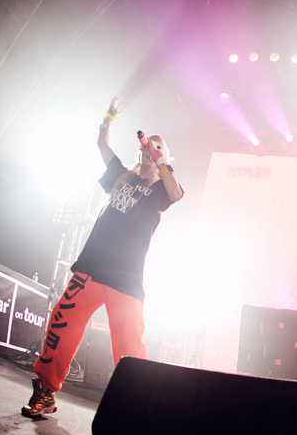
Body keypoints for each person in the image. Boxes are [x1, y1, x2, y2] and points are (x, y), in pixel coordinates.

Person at [22, 97, 183, 417]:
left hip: (127, 277)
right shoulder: (121, 176)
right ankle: (45, 392)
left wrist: (161, 159)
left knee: (129, 348)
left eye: (157, 148)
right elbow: (101, 143)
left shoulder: (159, 190)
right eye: (147, 148)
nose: (150, 151)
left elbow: (176, 193)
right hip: (92, 267)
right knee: (62, 325)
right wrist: (108, 118)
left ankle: (134, 409)